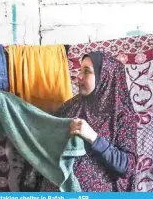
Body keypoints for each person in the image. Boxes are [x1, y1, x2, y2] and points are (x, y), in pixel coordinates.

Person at [39, 51, 138, 192]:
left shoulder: (122, 116)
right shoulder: (70, 106)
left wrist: (93, 137)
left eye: (87, 71)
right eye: (80, 70)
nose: (78, 76)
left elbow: (127, 168)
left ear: (105, 77)